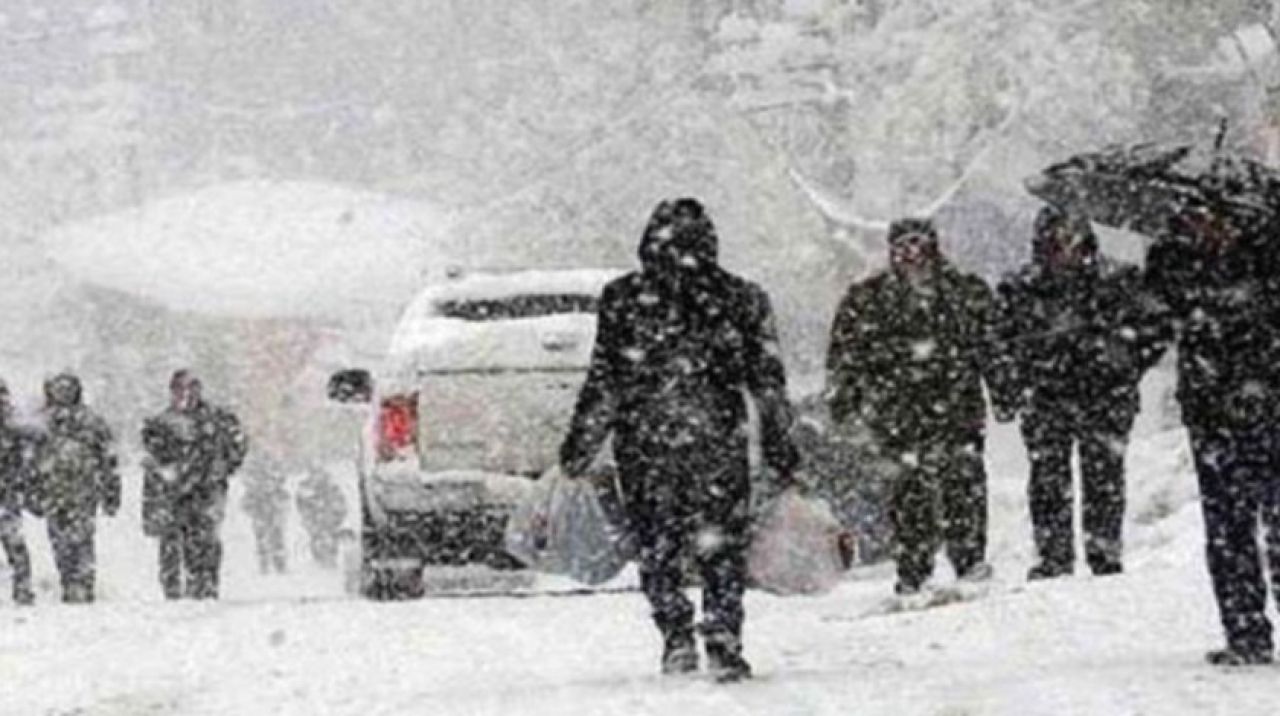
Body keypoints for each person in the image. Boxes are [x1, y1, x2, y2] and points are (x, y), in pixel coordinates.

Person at [559, 198, 800, 682]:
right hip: (717, 440)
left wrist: (580, 447)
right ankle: (723, 634)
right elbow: (767, 383)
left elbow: (605, 379)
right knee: (722, 545)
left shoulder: (625, 298)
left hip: (647, 441)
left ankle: (675, 635)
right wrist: (782, 451)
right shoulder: (741, 298)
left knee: (658, 543)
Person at [825, 217, 1011, 596]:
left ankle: (969, 557)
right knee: (908, 491)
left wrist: (1004, 391)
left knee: (963, 484)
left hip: (956, 404)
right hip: (897, 410)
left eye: (918, 244)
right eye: (903, 246)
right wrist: (845, 400)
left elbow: (993, 346)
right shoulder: (868, 298)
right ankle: (913, 566)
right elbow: (846, 355)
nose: (911, 254)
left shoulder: (964, 292)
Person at [995, 206, 1167, 579]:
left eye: (1071, 236)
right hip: (1046, 397)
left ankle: (1103, 551)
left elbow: (1154, 329)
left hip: (1105, 395)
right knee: (1047, 480)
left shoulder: (1119, 280)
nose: (1064, 246)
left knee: (1104, 477)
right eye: (1056, 237)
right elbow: (1002, 343)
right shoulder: (1019, 286)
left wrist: (1127, 366)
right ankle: (1054, 556)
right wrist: (1018, 382)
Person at [1145, 202, 1280, 666]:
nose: (1207, 229)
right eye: (1195, 219)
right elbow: (1152, 322)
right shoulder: (1176, 262)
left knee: (1271, 522)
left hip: (1268, 407)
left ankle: (1250, 628)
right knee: (1227, 529)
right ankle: (1245, 632)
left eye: (1217, 220)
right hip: (1212, 415)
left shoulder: (1267, 256)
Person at [141, 370, 247, 600]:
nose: (186, 395)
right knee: (171, 542)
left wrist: (223, 467)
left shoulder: (217, 419)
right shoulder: (160, 423)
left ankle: (205, 587)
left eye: (191, 389)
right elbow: (153, 463)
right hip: (172, 493)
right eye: (180, 389)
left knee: (205, 540)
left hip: (206, 490)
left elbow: (237, 445)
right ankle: (174, 590)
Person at [31, 373, 120, 603]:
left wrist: (111, 492)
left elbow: (108, 459)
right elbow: (30, 461)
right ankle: (68, 584)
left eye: (68, 389)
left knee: (82, 541)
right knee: (60, 543)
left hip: (83, 493)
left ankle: (84, 585)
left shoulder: (92, 421)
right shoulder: (42, 422)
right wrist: (32, 493)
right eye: (59, 389)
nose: (63, 393)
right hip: (53, 494)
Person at [0, 379, 34, 605]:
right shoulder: (15, 428)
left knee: (14, 544)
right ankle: (23, 589)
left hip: (7, 493)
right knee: (15, 544)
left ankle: (23, 589)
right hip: (8, 492)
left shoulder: (14, 428)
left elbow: (26, 459)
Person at [240, 452, 289, 575]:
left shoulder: (266, 461)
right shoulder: (257, 463)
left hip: (268, 503)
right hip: (262, 504)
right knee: (265, 534)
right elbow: (247, 480)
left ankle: (275, 563)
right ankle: (269, 563)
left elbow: (281, 478)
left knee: (273, 533)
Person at [295, 464, 346, 568]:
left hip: (328, 517)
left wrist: (338, 515)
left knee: (329, 537)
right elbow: (300, 502)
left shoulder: (331, 487)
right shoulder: (307, 487)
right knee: (317, 537)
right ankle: (321, 559)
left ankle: (330, 558)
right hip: (317, 518)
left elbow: (340, 502)